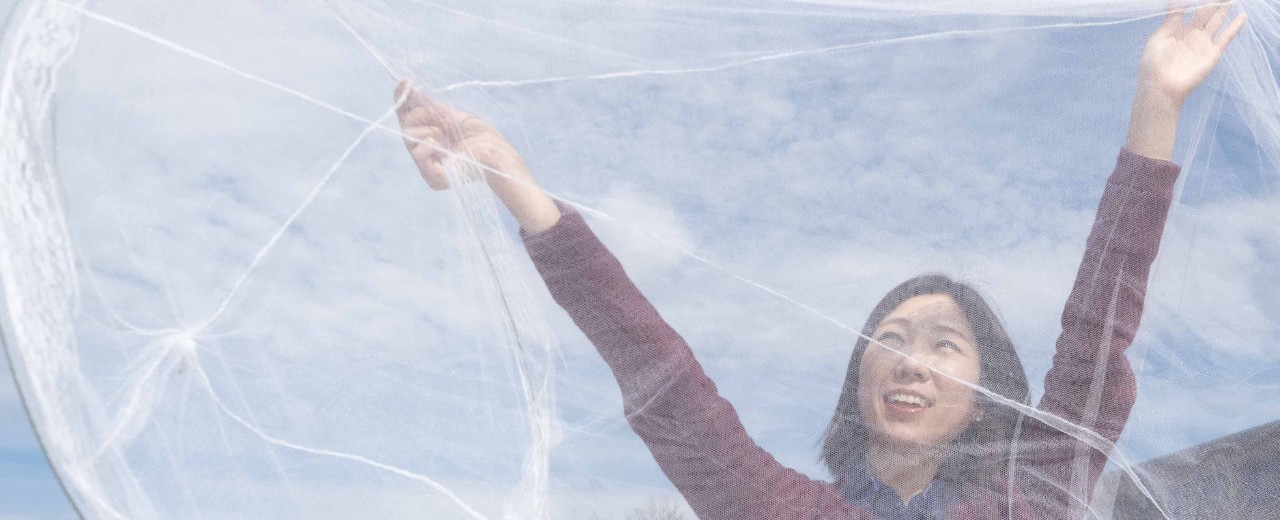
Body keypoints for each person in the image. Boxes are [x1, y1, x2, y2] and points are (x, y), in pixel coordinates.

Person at [396, 5, 1246, 519]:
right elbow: (658, 372)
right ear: (857, 378)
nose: (910, 358)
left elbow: (1097, 334)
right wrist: (513, 181)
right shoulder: (778, 510)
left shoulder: (1038, 497)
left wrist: (1156, 103)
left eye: (945, 343)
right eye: (892, 336)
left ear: (988, 393)